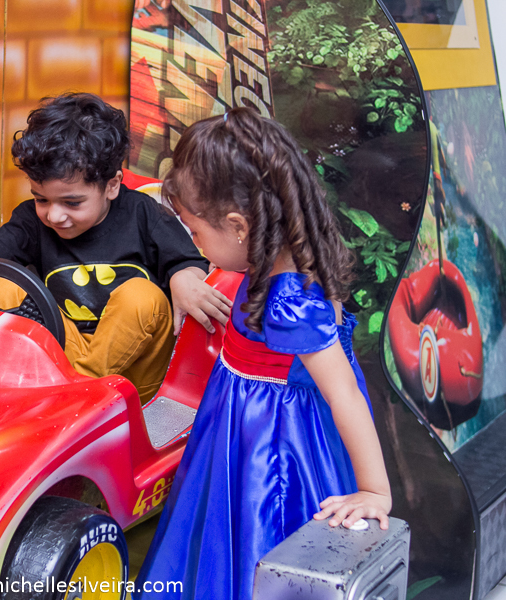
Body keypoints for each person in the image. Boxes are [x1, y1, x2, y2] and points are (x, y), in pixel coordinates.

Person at [135, 107, 392, 600]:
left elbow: (345, 396)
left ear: (237, 226)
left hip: (269, 449)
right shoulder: (285, 255)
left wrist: (375, 490)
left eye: (194, 231)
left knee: (255, 549)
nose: (194, 243)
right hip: (241, 426)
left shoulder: (289, 300)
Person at [0, 92, 232, 402]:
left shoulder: (143, 213)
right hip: (62, 361)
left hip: (134, 378)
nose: (55, 215)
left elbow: (186, 262)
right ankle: (25, 392)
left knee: (141, 296)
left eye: (72, 202)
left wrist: (184, 278)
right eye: (41, 198)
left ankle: (77, 403)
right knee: (5, 284)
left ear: (112, 185)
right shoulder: (33, 219)